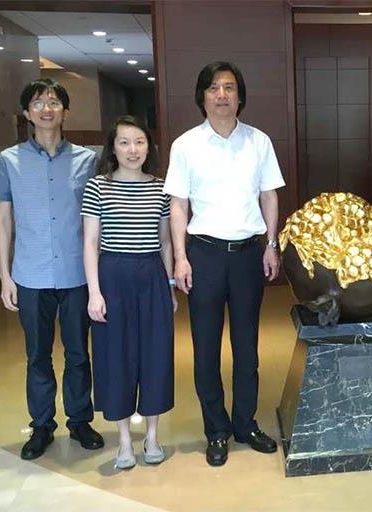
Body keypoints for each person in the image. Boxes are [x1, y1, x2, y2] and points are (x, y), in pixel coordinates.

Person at [164, 61, 285, 466]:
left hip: (248, 254)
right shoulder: (186, 145)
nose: (222, 95)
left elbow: (269, 195)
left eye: (229, 87)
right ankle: (216, 430)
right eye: (214, 88)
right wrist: (180, 257)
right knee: (205, 348)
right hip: (204, 255)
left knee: (247, 346)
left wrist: (271, 245)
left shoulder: (258, 141)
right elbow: (178, 205)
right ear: (202, 96)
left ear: (239, 96)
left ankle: (245, 423)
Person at [0, 78, 104, 460]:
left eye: (53, 102)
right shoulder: (9, 160)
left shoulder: (88, 160)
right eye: (38, 103)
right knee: (37, 355)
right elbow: (3, 220)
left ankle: (80, 421)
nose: (46, 109)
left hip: (76, 275)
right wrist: (5, 275)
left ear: (65, 111)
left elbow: (98, 220)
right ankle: (41, 426)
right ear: (26, 113)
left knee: (78, 354)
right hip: (31, 275)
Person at [81, 115, 177, 469]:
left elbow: (165, 242)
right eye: (124, 142)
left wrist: (170, 287)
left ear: (148, 147)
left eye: (139, 141)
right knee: (115, 356)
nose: (132, 149)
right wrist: (94, 292)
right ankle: (124, 441)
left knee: (155, 354)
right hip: (112, 276)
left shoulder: (161, 188)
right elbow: (90, 243)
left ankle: (152, 436)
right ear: (113, 148)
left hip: (152, 276)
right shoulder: (98, 187)